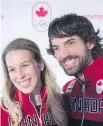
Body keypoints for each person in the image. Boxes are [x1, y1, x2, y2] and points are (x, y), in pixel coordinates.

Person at [47, 13, 103, 126]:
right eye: (56, 48)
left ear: (90, 43)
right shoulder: (69, 89)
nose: (63, 54)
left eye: (70, 43)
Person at [1, 38, 68, 126]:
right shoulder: (3, 109)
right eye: (12, 69)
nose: (20, 75)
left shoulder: (61, 102)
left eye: (24, 65)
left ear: (40, 64)